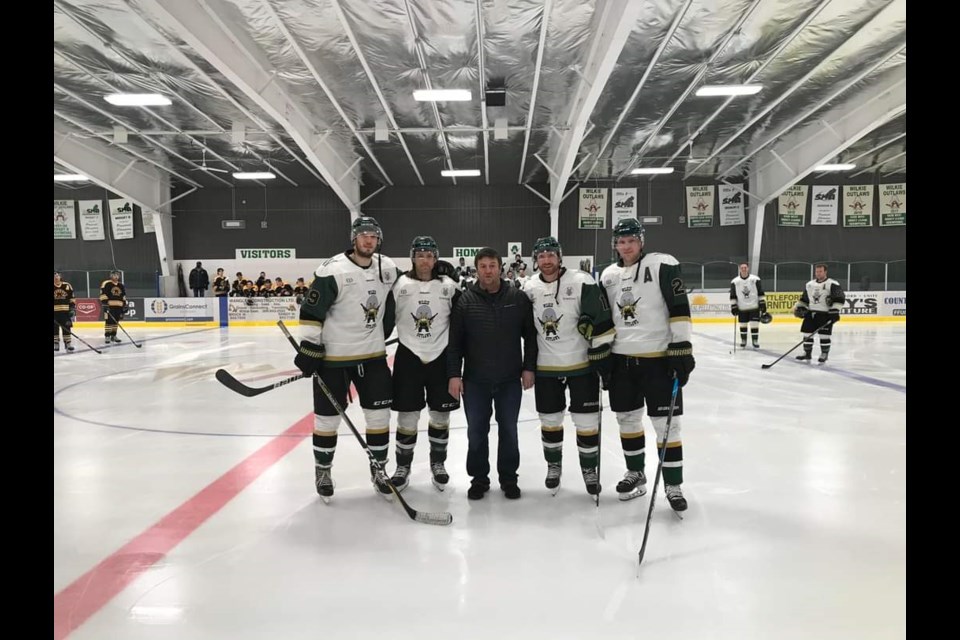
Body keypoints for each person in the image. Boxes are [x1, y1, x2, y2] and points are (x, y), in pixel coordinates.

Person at [293, 216, 401, 502]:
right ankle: (323, 471)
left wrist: (437, 272)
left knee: (379, 417)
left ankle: (379, 470)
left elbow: (405, 291)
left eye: (373, 236)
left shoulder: (388, 268)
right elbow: (311, 311)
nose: (368, 240)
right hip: (334, 361)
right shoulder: (333, 270)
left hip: (374, 357)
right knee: (326, 420)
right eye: (363, 235)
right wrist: (310, 347)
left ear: (379, 239)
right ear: (354, 238)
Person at [599, 218, 695, 512]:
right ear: (615, 244)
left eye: (631, 240)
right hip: (622, 361)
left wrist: (680, 346)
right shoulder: (608, 275)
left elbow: (679, 305)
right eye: (621, 241)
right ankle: (636, 471)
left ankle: (673, 484)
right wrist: (601, 353)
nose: (626, 246)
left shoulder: (662, 264)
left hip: (658, 361)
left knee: (667, 426)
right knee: (627, 420)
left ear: (641, 241)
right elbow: (605, 318)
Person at [523, 237, 614, 496]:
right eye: (541, 256)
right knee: (550, 421)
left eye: (551, 255)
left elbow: (602, 320)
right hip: (546, 367)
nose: (547, 260)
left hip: (581, 365)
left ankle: (589, 469)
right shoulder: (528, 288)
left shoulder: (582, 281)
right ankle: (554, 466)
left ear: (560, 257)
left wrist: (602, 359)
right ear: (535, 260)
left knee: (586, 422)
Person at [447, 247, 537, 500]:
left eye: (492, 266)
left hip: (509, 379)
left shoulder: (517, 298)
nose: (488, 271)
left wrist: (528, 368)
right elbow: (455, 343)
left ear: (501, 267)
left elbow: (530, 337)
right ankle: (479, 479)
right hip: (475, 381)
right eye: (483, 266)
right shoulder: (465, 301)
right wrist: (454, 374)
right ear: (477, 269)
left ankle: (509, 478)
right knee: (476, 431)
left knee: (509, 429)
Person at [389, 236, 461, 492]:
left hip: (441, 358)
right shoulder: (399, 284)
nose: (425, 260)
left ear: (436, 258)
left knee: (440, 414)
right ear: (412, 257)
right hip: (409, 356)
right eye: (420, 255)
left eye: (430, 256)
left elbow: (464, 318)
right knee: (407, 416)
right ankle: (402, 466)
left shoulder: (449, 286)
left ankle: (438, 463)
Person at [793, 263, 845, 363]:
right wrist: (798, 307)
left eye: (820, 271)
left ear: (825, 272)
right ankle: (807, 353)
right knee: (807, 334)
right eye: (817, 271)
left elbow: (840, 298)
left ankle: (824, 354)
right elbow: (804, 299)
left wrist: (834, 311)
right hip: (811, 313)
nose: (818, 273)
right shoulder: (810, 284)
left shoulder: (832, 284)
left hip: (824, 314)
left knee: (824, 335)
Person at [729, 262, 768, 348]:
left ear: (748, 268)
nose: (744, 269)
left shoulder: (755, 279)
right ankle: (743, 340)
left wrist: (762, 303)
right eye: (742, 267)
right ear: (740, 268)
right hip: (742, 307)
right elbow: (732, 295)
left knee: (754, 324)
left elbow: (760, 292)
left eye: (745, 267)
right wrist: (733, 306)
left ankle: (755, 341)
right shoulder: (735, 281)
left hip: (754, 306)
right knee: (743, 324)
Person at [100, 270, 128, 344]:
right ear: (111, 276)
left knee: (116, 322)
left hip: (119, 307)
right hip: (109, 306)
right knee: (109, 321)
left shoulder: (121, 285)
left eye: (117, 275)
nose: (116, 276)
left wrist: (125, 305)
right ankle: (107, 336)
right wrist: (105, 305)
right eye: (114, 275)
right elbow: (103, 294)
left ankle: (114, 335)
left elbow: (123, 296)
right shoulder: (106, 283)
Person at [53, 271, 76, 352]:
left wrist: (72, 308)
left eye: (57, 275)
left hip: (65, 312)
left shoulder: (67, 285)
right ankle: (55, 343)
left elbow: (72, 298)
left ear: (60, 276)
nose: (56, 277)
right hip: (54, 313)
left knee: (67, 327)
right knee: (54, 328)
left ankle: (68, 343)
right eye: (54, 276)